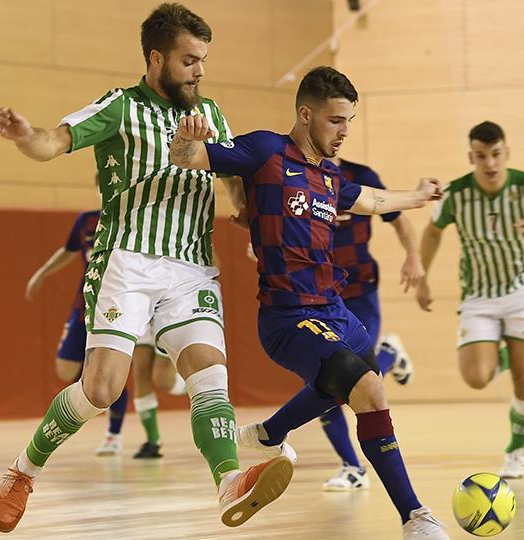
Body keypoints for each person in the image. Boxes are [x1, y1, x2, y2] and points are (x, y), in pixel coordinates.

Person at [0, 4, 292, 533]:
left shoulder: (214, 115)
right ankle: (22, 471)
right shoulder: (119, 108)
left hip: (192, 266)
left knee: (209, 374)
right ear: (156, 58)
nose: (199, 71)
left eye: (202, 61)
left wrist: (253, 219)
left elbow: (235, 188)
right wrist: (24, 136)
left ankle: (229, 483)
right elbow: (51, 142)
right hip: (127, 260)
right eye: (189, 60)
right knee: (102, 389)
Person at [169, 66, 450, 540]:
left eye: (350, 121)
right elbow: (191, 158)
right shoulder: (266, 151)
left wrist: (419, 196)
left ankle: (269, 434)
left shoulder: (329, 178)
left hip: (334, 309)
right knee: (366, 388)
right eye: (336, 120)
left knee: (354, 383)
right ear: (306, 114)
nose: (344, 132)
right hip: (287, 316)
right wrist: (183, 140)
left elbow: (375, 202)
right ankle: (415, 517)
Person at [416, 121, 524, 479]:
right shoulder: (456, 194)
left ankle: (516, 452)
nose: (490, 164)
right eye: (481, 156)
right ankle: (508, 353)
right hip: (479, 296)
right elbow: (433, 231)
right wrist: (421, 276)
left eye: (496, 155)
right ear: (472, 157)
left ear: (506, 153)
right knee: (476, 377)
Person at [24, 206, 186, 458]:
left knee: (155, 377)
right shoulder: (88, 220)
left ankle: (121, 432)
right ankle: (100, 390)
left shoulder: (149, 215)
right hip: (95, 301)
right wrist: (42, 272)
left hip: (147, 300)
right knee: (70, 368)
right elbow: (69, 250)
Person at [317, 156, 420, 491]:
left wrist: (413, 257)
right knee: (320, 381)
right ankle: (351, 466)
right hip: (318, 295)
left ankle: (388, 355)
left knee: (349, 380)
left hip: (360, 292)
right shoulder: (297, 175)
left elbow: (399, 219)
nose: (338, 130)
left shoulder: (360, 177)